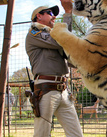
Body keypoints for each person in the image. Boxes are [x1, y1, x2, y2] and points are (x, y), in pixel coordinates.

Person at [25, 0, 83, 137]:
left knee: (76, 134)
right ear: (39, 16)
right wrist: (68, 14)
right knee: (42, 134)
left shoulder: (52, 35)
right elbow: (62, 40)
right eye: (50, 13)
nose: (54, 16)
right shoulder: (34, 33)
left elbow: (68, 52)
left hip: (64, 91)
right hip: (46, 90)